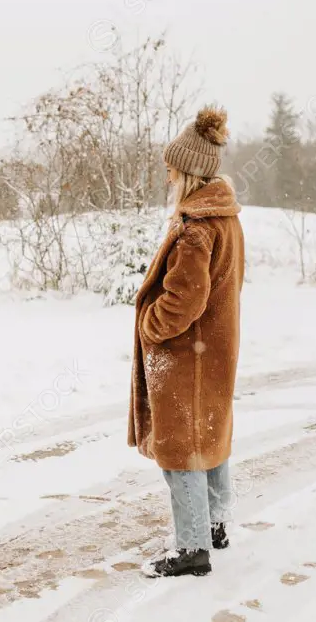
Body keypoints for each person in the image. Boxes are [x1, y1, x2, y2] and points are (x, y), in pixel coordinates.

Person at [128, 106, 245, 577]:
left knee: (181, 454)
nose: (169, 174)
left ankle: (192, 548)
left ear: (191, 172)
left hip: (185, 359)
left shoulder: (197, 229)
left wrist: (149, 325)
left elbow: (184, 300)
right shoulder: (226, 219)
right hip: (212, 353)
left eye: (173, 167)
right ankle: (215, 525)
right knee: (210, 439)